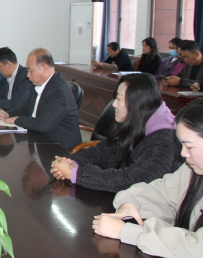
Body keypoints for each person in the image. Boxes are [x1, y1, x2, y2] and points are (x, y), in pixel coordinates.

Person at [92, 99, 203, 258]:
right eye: (181, 145)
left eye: (189, 147)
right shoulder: (191, 171)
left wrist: (129, 233)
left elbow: (198, 249)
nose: (183, 153)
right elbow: (159, 192)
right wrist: (130, 203)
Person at [50, 73, 183, 192]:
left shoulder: (164, 138)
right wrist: (73, 163)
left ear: (135, 102)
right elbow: (102, 152)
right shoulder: (135, 120)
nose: (114, 104)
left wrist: (77, 174)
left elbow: (135, 179)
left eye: (118, 99)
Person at [0, 48, 81, 151]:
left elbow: (43, 124)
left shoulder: (58, 91)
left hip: (60, 148)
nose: (28, 75)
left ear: (44, 68)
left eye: (30, 71)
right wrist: (7, 114)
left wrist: (17, 120)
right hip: (40, 140)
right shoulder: (40, 84)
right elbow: (26, 108)